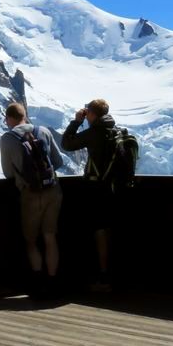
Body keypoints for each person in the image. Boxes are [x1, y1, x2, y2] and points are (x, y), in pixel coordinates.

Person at [0, 102, 64, 297]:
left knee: (30, 240)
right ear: (25, 115)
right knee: (50, 237)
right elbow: (58, 161)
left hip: (30, 194)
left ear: (8, 119)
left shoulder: (7, 138)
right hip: (53, 190)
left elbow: (8, 172)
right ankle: (53, 282)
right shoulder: (43, 131)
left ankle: (38, 283)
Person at [61, 99, 117, 292]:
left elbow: (67, 143)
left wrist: (76, 121)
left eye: (88, 113)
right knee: (107, 229)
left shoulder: (96, 132)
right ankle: (109, 273)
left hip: (96, 189)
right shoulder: (115, 131)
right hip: (113, 188)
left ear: (92, 114)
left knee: (99, 231)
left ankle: (103, 277)